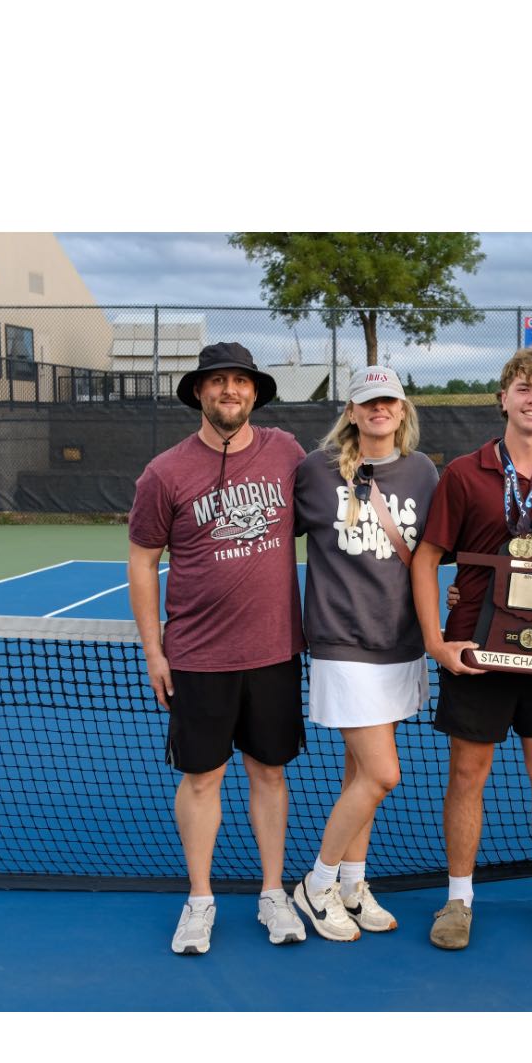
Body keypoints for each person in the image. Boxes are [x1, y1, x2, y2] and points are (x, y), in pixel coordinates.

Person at [128, 341, 308, 957]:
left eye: (240, 381)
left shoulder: (286, 452)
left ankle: (273, 892)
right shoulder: (165, 473)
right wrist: (154, 651)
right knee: (202, 779)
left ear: (254, 392)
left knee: (270, 772)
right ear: (199, 393)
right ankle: (200, 899)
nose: (230, 390)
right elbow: (143, 561)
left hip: (274, 651)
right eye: (217, 381)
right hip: (197, 657)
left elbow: (333, 516)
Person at [411, 347, 532, 951]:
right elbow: (427, 558)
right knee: (468, 772)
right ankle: (458, 899)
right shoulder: (465, 473)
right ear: (503, 398)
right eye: (523, 387)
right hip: (476, 648)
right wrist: (436, 642)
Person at [291, 367, 439, 940]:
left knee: (360, 774)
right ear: (351, 411)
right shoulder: (315, 470)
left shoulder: (422, 472)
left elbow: (431, 553)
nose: (379, 409)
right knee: (382, 774)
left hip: (399, 644)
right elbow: (274, 542)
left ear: (402, 410)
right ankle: (318, 882)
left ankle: (353, 885)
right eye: (368, 402)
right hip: (342, 642)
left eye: (388, 401)